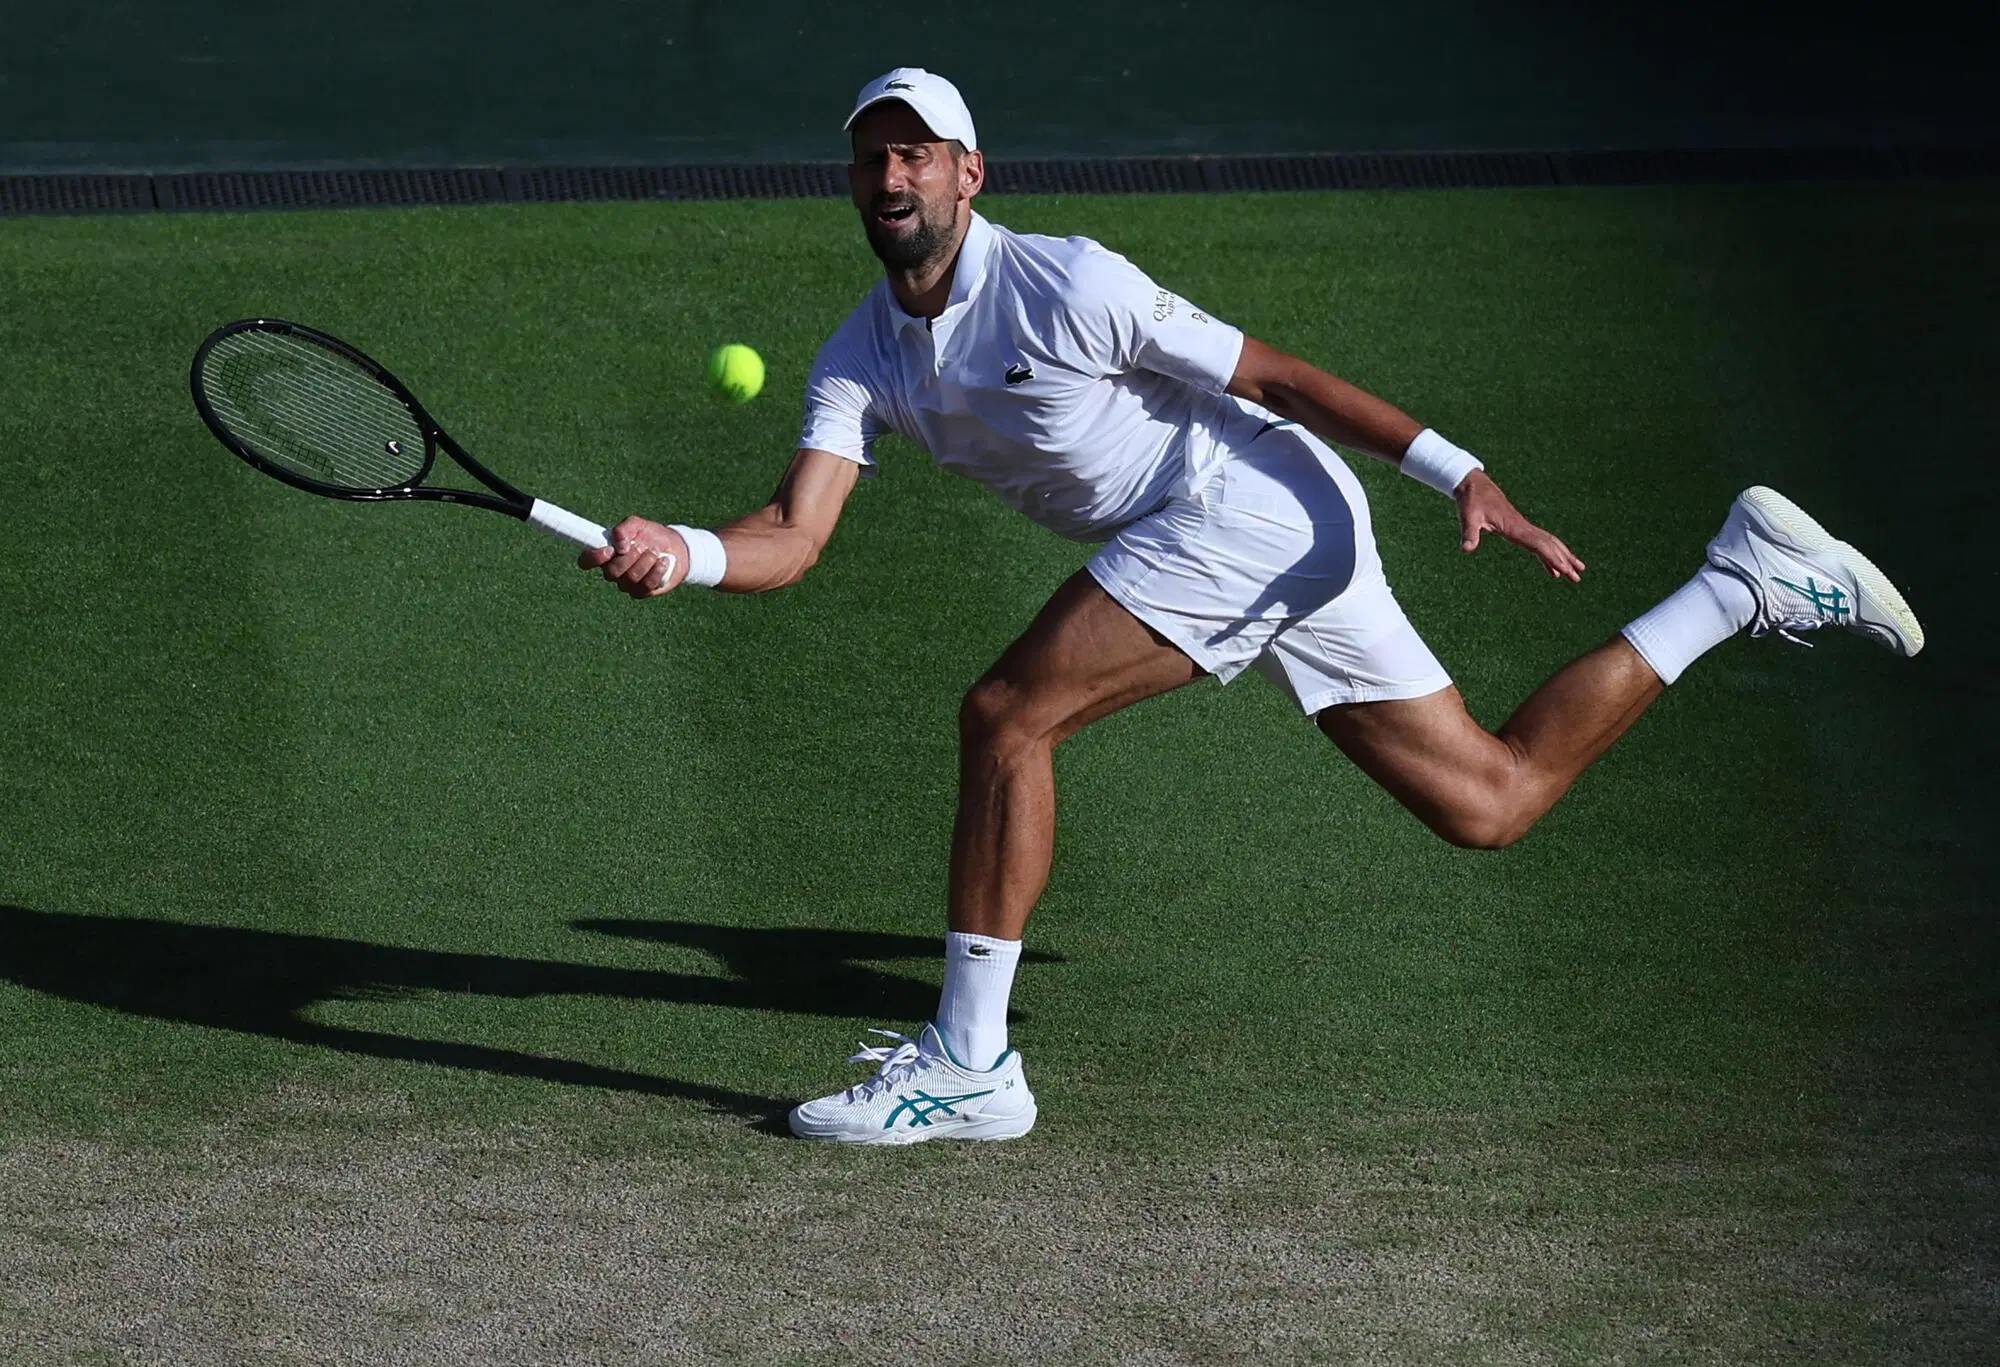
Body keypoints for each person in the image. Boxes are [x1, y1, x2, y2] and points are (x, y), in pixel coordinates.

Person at [579, 68, 1924, 1145]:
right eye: (873, 158)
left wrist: (1459, 471)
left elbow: (1273, 376)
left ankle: (972, 1065)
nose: (891, 177)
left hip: (1248, 508)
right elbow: (792, 534)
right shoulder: (858, 355)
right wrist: (682, 551)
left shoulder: (1068, 281)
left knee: (1007, 716)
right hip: (1252, 537)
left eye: (916, 154)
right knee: (1491, 801)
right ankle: (1743, 581)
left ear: (968, 173)